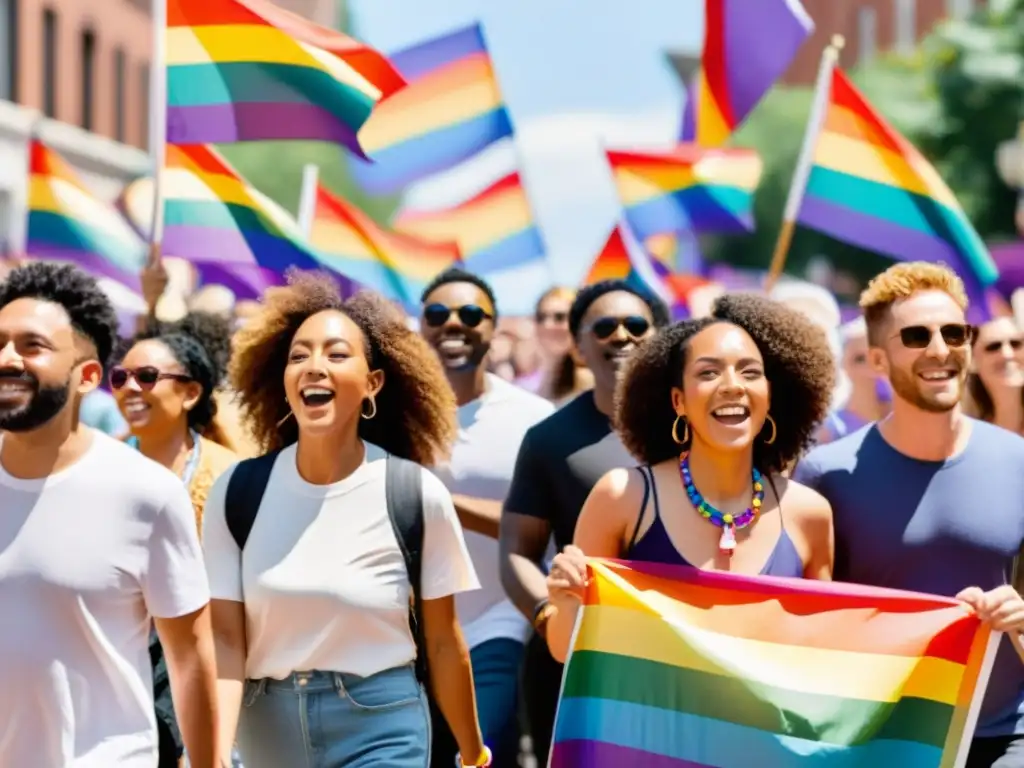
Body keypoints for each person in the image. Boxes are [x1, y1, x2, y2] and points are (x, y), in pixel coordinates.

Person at [202, 270, 490, 768]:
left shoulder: (415, 494)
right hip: (267, 726)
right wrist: (210, 754)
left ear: (372, 383)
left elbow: (445, 644)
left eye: (336, 354)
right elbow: (225, 641)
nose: (314, 367)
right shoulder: (237, 492)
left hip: (382, 725)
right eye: (299, 356)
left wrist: (473, 753)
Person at [794, 262, 1024, 768]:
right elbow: (803, 620)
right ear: (878, 359)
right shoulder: (824, 475)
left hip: (1005, 737)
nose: (940, 349)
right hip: (879, 740)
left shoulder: (1018, 462)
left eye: (954, 332)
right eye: (917, 336)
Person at [0, 262, 218, 767]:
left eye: (32, 346)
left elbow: (191, 661)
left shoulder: (147, 493)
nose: (8, 358)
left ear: (89, 376)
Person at [543, 293, 836, 661]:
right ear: (678, 401)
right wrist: (567, 601)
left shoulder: (809, 514)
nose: (732, 385)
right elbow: (564, 649)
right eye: (708, 372)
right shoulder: (623, 498)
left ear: (771, 394)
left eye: (750, 372)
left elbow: (821, 655)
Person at [498, 278, 670, 765]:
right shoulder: (549, 440)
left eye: (637, 325)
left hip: (673, 657)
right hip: (574, 662)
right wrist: (548, 615)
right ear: (577, 345)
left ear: (660, 337)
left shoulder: (693, 429)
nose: (621, 335)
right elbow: (516, 550)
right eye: (604, 326)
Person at [419, 267, 555, 767]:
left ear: (494, 328)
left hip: (497, 615)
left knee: (483, 747)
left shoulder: (533, 419)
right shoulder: (390, 414)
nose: (453, 324)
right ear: (421, 326)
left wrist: (442, 504)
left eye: (471, 314)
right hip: (409, 619)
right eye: (438, 314)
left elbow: (541, 528)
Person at [115, 314, 239, 525]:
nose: (129, 388)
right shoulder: (103, 468)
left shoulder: (229, 477)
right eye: (120, 378)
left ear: (190, 394)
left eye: (146, 376)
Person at [965, 315, 1024, 434]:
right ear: (972, 361)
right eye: (993, 347)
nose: (1007, 354)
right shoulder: (967, 435)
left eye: (1015, 344)